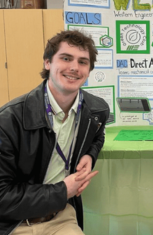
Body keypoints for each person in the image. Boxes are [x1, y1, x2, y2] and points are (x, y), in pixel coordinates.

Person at [0, 30, 110, 235]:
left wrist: (90, 154)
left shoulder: (97, 110)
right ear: (47, 63)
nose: (74, 67)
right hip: (11, 223)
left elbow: (98, 135)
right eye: (66, 58)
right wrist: (62, 191)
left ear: (89, 70)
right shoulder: (9, 119)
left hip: (61, 217)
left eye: (83, 62)